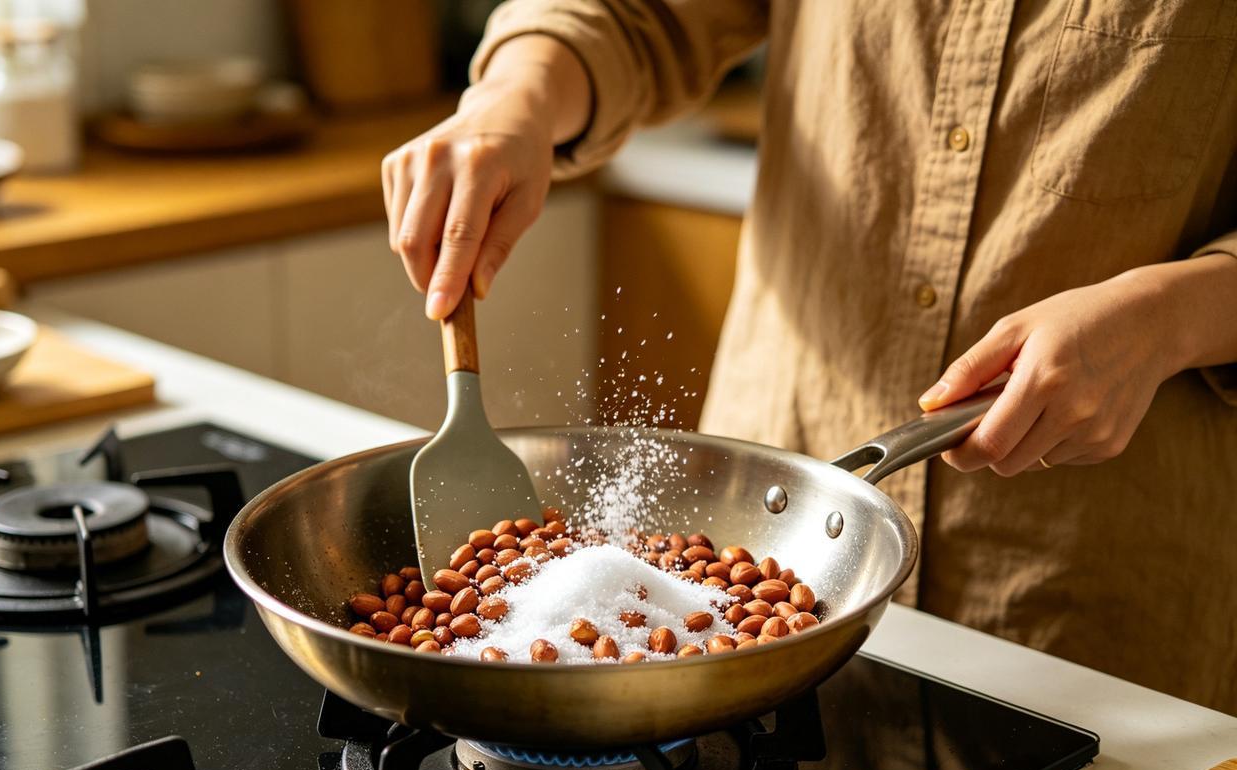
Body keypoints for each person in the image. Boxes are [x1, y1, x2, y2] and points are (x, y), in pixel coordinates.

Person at [381, 1, 1237, 714]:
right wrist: (520, 92)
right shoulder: (725, 596)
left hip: (1095, 582)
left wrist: (1172, 318)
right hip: (779, 500)